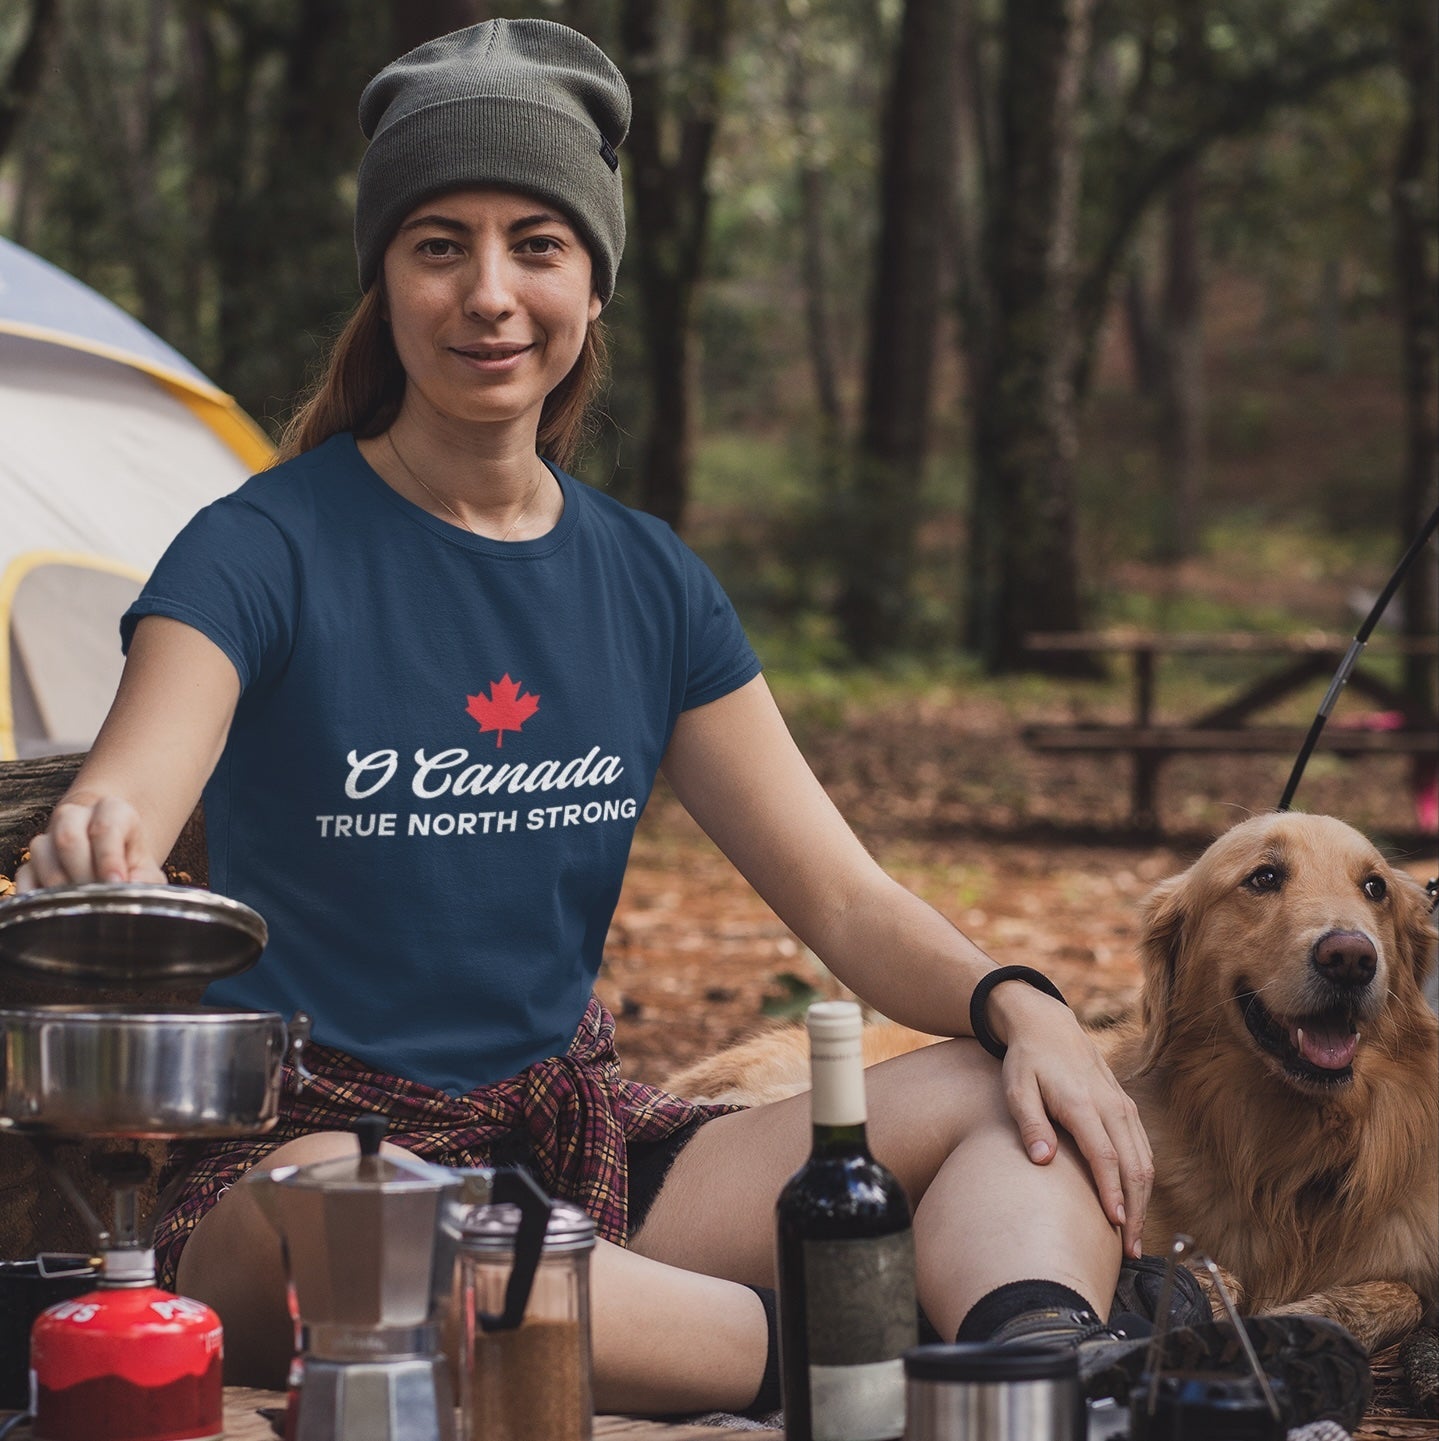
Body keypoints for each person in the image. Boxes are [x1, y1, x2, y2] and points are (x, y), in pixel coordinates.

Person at [20, 18, 1163, 1413]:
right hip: (301, 1174)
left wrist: (1021, 1004)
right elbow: (133, 785)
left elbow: (847, 903)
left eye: (536, 244)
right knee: (379, 1220)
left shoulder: (648, 580)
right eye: (439, 243)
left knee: (1004, 1097)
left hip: (578, 1154)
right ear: (384, 277)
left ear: (594, 285)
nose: (488, 293)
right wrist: (98, 839)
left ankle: (1034, 1373)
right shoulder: (258, 547)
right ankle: (843, 1364)